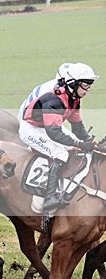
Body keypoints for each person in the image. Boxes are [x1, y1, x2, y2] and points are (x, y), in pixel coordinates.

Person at [18, 62, 98, 214]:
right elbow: (54, 133)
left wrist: (89, 143)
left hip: (48, 127)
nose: (88, 90)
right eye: (85, 86)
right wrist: (80, 144)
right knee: (61, 153)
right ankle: (49, 198)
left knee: (76, 147)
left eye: (89, 86)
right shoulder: (54, 101)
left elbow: (77, 126)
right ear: (73, 83)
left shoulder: (74, 98)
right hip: (32, 129)